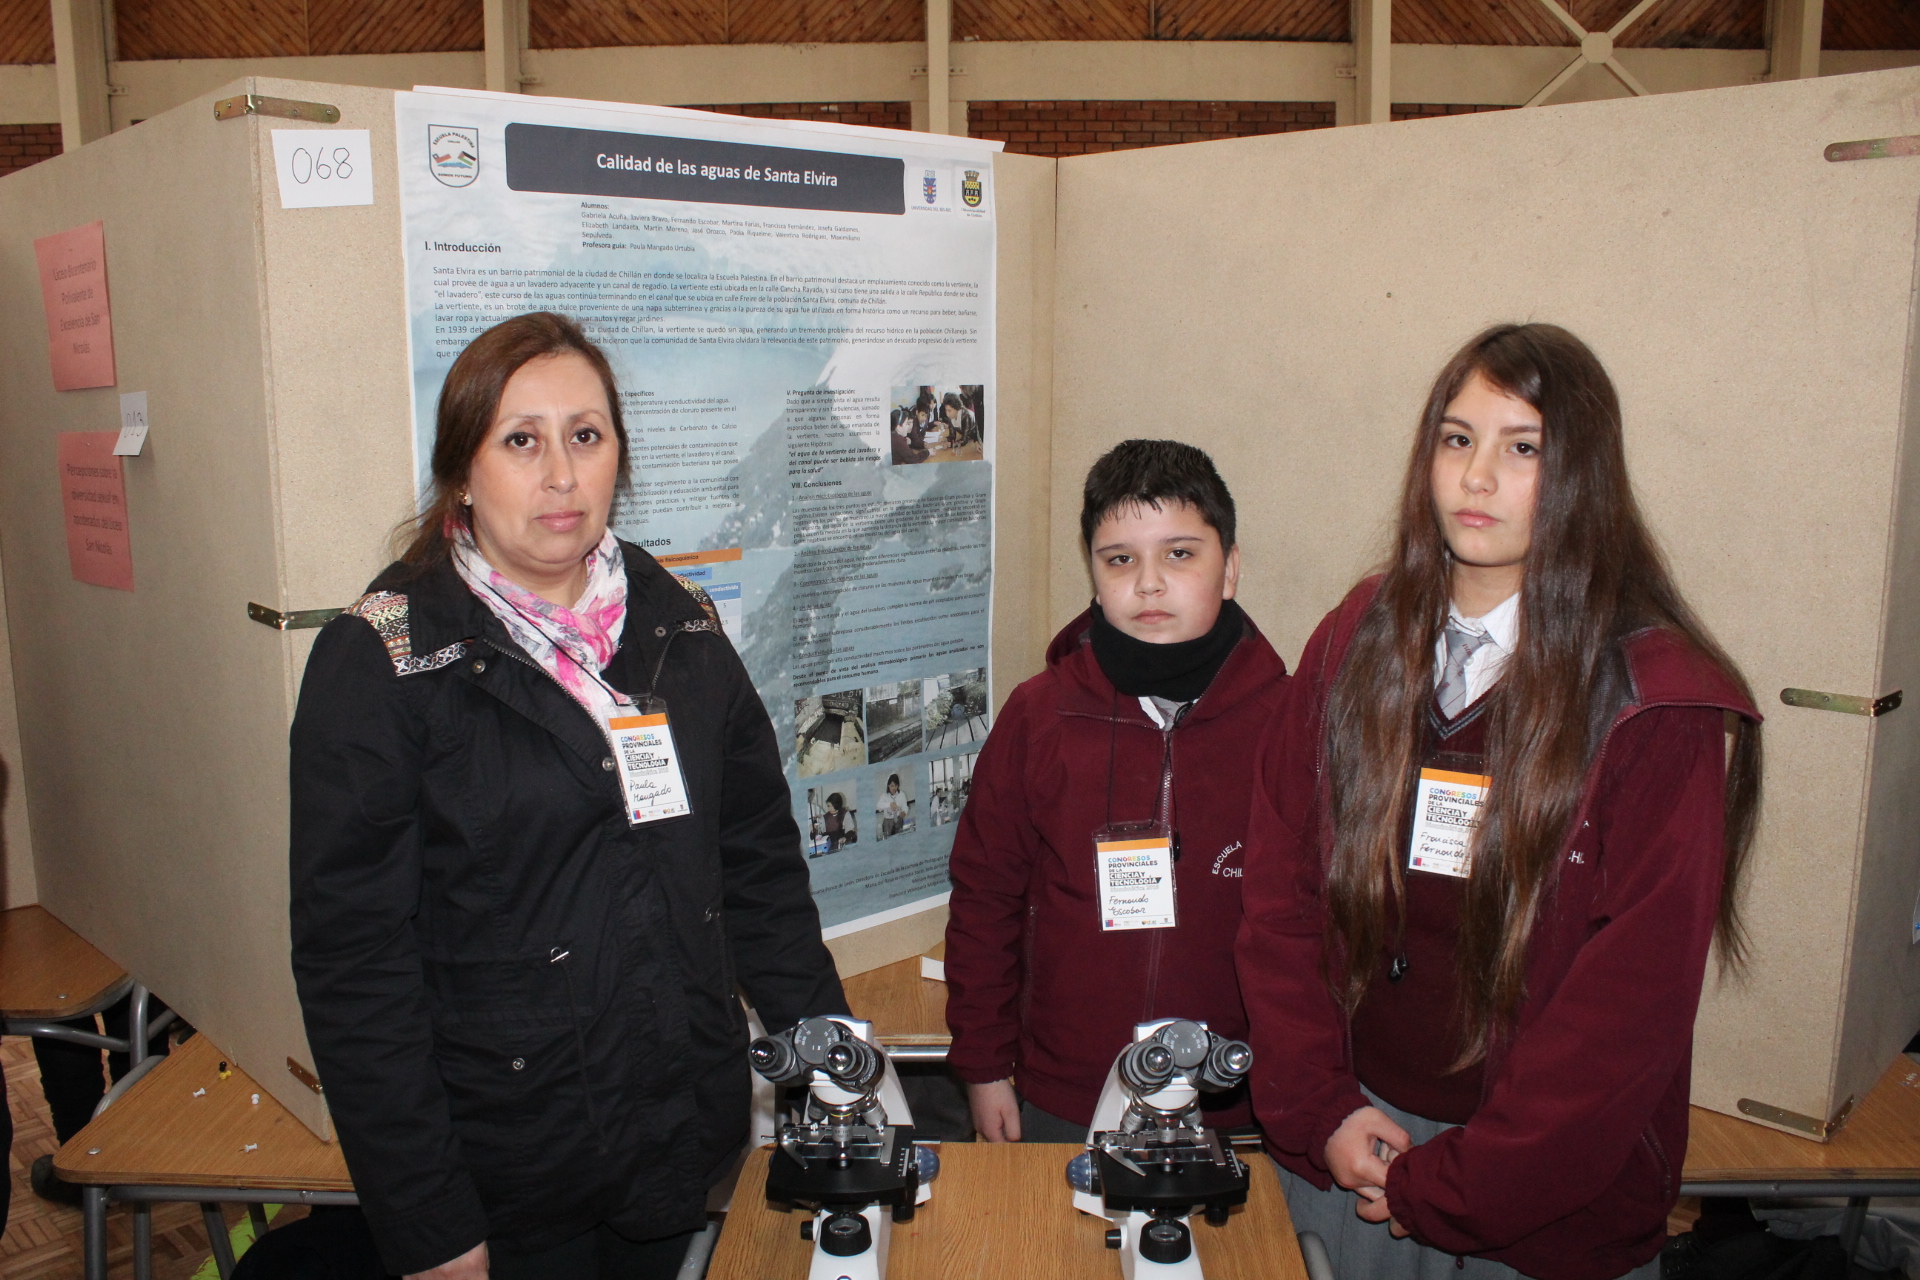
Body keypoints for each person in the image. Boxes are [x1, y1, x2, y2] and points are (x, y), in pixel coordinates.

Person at [290, 311, 847, 1280]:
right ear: (463, 470)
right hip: (506, 1167)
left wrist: (833, 1066)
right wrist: (429, 1222)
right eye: (522, 440)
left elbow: (756, 865)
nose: (560, 474)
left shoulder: (681, 626)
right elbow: (355, 965)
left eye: (585, 436)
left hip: (674, 1134)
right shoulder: (384, 657)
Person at [1238, 324, 1762, 1280]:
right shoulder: (1356, 638)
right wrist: (1322, 1109)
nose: (1477, 476)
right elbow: (1280, 894)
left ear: (1583, 478)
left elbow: (1626, 1015)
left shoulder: (1655, 702)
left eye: (1523, 448)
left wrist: (1459, 1186)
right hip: (1350, 1151)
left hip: (1543, 1206)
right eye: (1456, 438)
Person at [944, 439, 1288, 1142]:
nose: (1149, 584)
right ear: (1095, 576)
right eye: (1121, 559)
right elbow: (985, 898)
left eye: (1181, 553)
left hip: (1231, 1097)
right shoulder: (1040, 715)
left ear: (1231, 570)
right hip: (1063, 1090)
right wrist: (982, 1066)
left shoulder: (1287, 725)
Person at [878, 774, 909, 838]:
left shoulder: (902, 794)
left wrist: (904, 812)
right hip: (888, 822)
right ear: (888, 785)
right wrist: (889, 804)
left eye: (896, 785)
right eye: (892, 786)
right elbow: (878, 807)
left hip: (898, 820)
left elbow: (905, 807)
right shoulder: (884, 795)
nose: (894, 788)